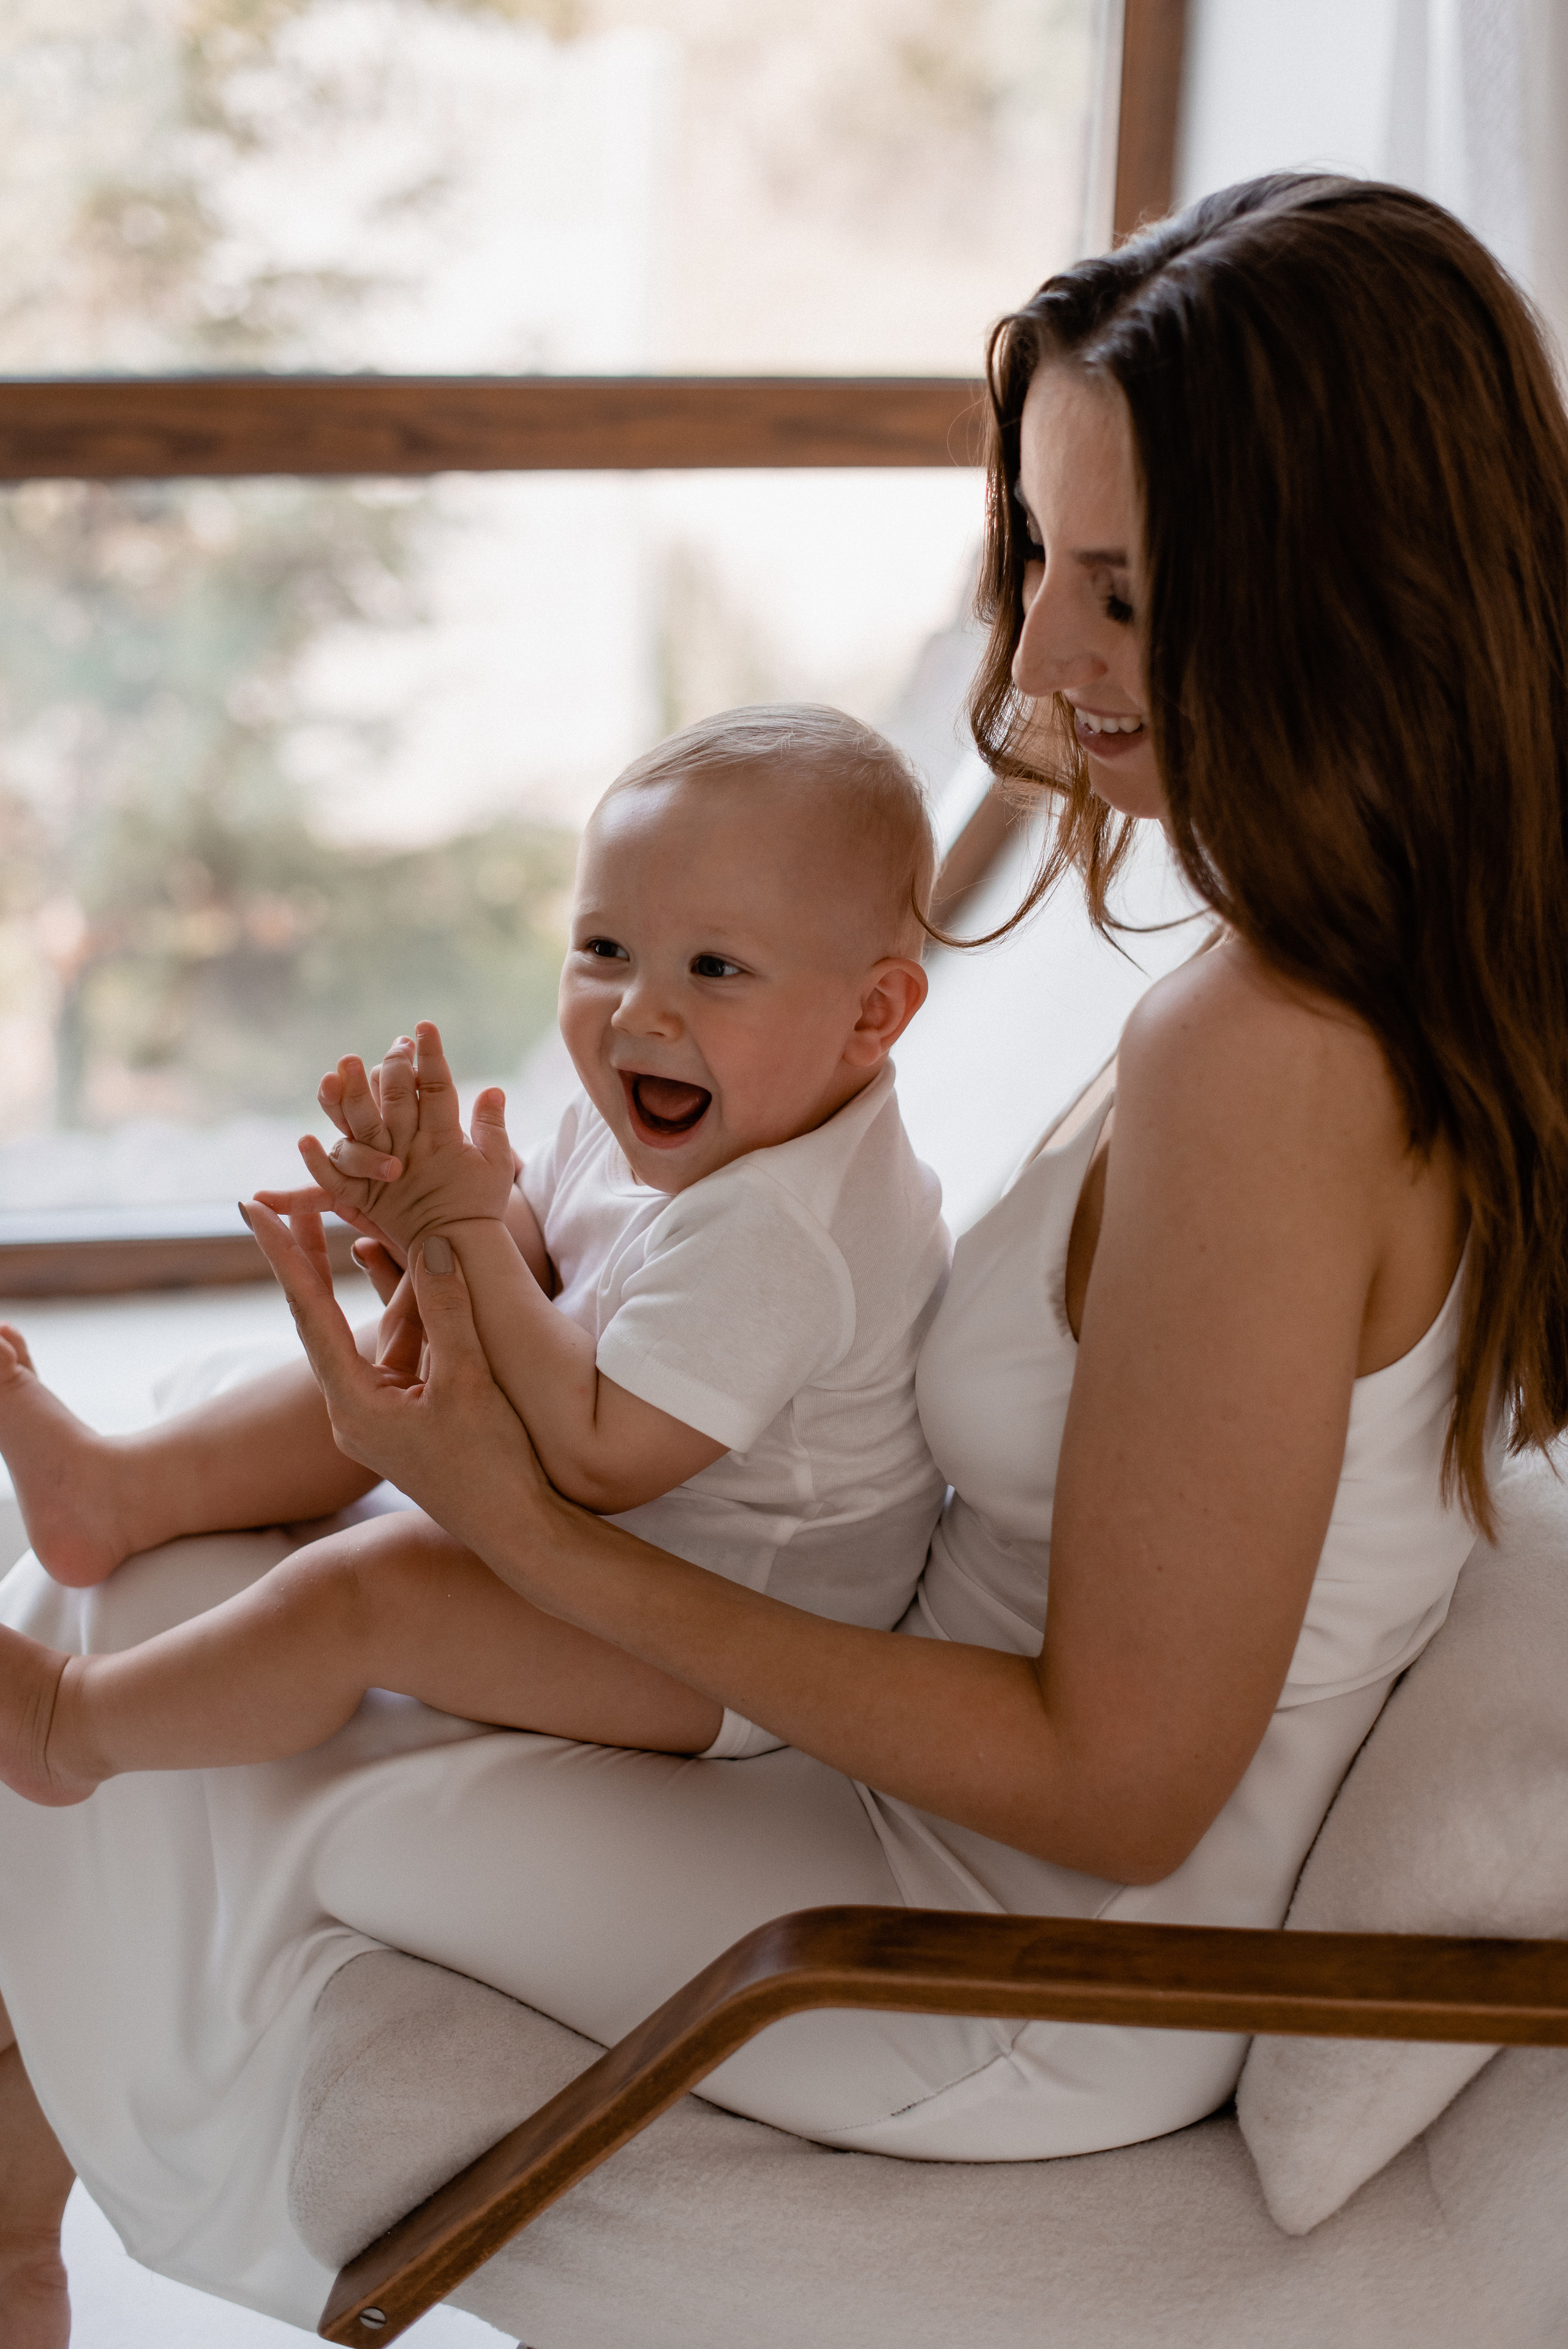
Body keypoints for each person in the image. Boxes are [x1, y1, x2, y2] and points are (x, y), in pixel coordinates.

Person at [2, 172, 1567, 2348]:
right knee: (164, 1607)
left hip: (1012, 1956)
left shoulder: (1265, 1062)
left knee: (206, 1740)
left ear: (1346, 599)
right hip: (917, 1812)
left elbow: (1122, 1785)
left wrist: (524, 1531)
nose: (1040, 658)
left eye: (1126, 593)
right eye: (1039, 558)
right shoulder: (1337, 986)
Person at [0, 706, 949, 1798]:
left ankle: (71, 1727)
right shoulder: (661, 1097)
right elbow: (536, 1256)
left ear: (873, 1012)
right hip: (624, 1538)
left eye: (715, 967)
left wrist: (461, 1237)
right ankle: (117, 1492)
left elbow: (598, 1457)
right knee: (397, 1359)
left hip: (732, 1632)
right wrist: (437, 1207)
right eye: (605, 950)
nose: (639, 1012)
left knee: (375, 1588)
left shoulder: (787, 1232)